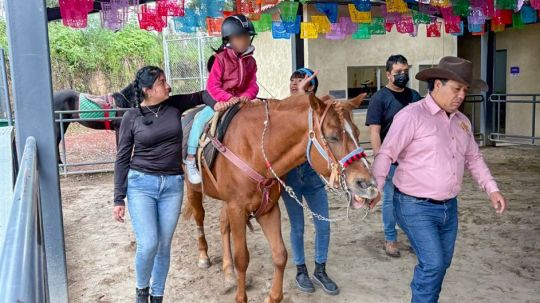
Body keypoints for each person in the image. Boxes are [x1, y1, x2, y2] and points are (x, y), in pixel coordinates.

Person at [372, 56, 507, 303]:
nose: (461, 96)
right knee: (433, 263)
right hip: (414, 206)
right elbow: (387, 153)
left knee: (441, 264)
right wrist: (376, 187)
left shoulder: (462, 122)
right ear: (436, 85)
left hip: (449, 208)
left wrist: (492, 189)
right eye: (456, 89)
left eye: (465, 90)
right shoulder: (411, 116)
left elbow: (474, 159)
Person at [113, 66, 218, 303]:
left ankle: (157, 295)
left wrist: (218, 103)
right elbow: (122, 158)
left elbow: (202, 95)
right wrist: (118, 198)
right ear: (147, 89)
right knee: (149, 242)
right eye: (161, 82)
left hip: (172, 186)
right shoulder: (132, 117)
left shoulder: (174, 105)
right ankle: (142, 291)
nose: (168, 86)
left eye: (166, 81)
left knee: (163, 245)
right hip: (141, 185)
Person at [281, 68, 339, 296]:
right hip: (292, 178)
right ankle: (301, 270)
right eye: (292, 80)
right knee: (297, 226)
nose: (295, 83)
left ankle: (321, 270)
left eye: (301, 80)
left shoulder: (320, 111)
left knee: (323, 224)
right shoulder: (283, 109)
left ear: (313, 87)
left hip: (314, 178)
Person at [184, 14, 259, 184]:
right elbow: (213, 86)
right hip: (222, 100)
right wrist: (227, 98)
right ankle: (190, 159)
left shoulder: (251, 61)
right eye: (240, 37)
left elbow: (253, 84)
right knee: (199, 119)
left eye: (247, 36)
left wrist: (246, 96)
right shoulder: (220, 60)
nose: (244, 40)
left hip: (242, 101)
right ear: (229, 39)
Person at [365, 55, 422, 258]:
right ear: (388, 75)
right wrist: (381, 160)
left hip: (413, 162)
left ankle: (415, 239)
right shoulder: (379, 99)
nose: (402, 75)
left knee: (412, 202)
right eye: (398, 72)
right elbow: (374, 132)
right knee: (389, 200)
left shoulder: (415, 97)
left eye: (405, 71)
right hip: (390, 161)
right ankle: (390, 239)